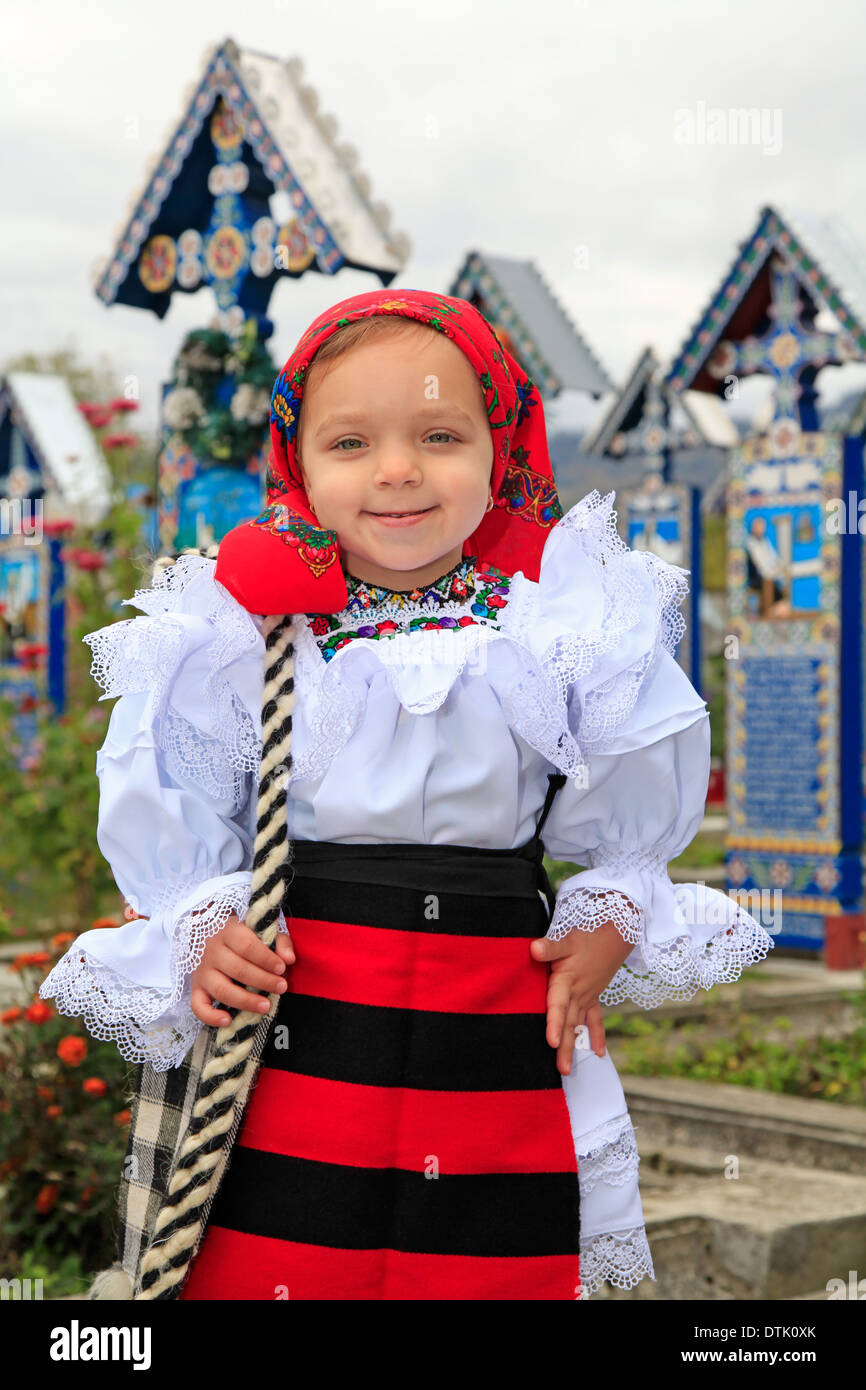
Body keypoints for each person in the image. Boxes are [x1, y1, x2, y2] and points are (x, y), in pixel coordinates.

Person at [40, 288, 774, 1301]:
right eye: (350, 443)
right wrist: (196, 924)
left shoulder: (559, 616)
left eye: (438, 433)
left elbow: (628, 821)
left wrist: (610, 913)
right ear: (298, 461)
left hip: (496, 1009)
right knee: (280, 1253)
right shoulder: (236, 628)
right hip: (294, 1014)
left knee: (484, 1262)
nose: (396, 470)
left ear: (499, 442)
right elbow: (176, 808)